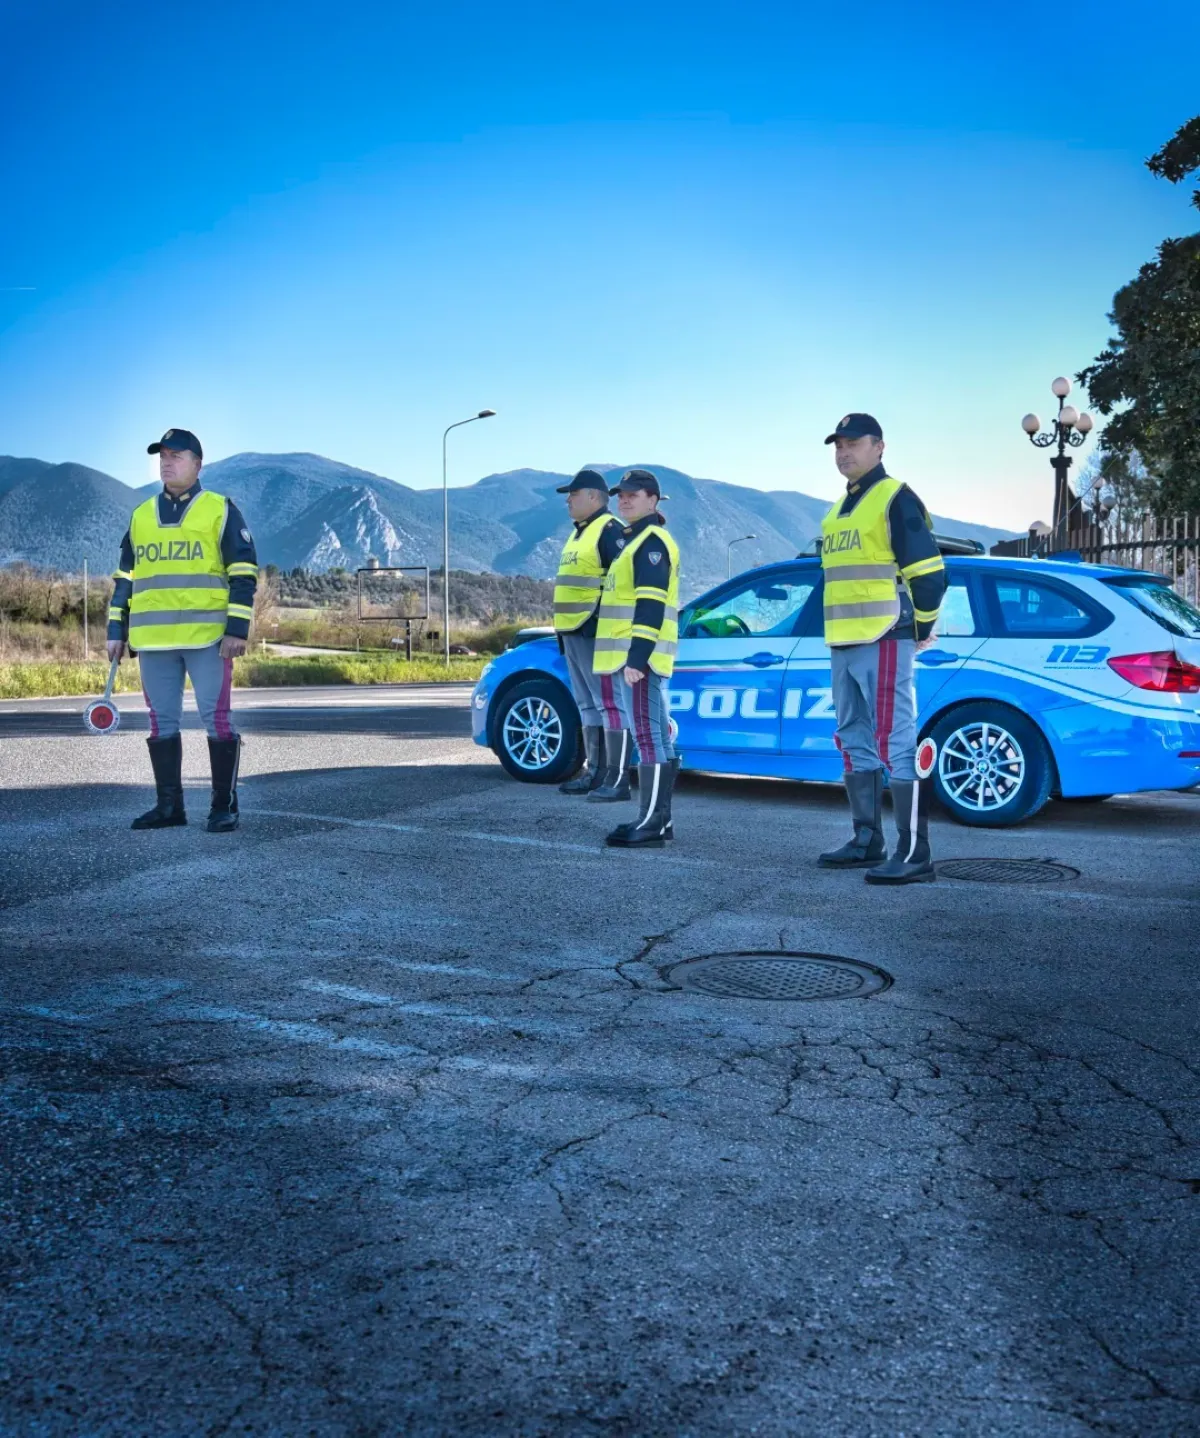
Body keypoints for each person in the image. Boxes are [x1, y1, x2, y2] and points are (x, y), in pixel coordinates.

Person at [107, 428, 259, 833]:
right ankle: (169, 807)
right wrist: (115, 627)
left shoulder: (219, 509)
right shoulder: (141, 515)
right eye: (162, 456)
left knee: (217, 720)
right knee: (161, 722)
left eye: (176, 455)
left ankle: (223, 805)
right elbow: (125, 577)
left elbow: (243, 572)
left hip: (207, 638)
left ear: (197, 464)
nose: (167, 461)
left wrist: (237, 629)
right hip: (153, 640)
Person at [817, 413, 946, 883]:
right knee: (853, 736)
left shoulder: (895, 498)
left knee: (896, 739)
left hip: (885, 635)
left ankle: (914, 854)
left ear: (880, 446)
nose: (844, 451)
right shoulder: (837, 510)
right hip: (844, 641)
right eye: (838, 445)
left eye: (853, 443)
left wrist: (922, 625)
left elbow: (929, 573)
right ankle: (867, 840)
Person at [591, 469, 680, 847]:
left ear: (653, 500)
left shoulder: (651, 542)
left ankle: (651, 823)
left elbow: (650, 604)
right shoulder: (634, 540)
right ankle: (659, 820)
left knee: (648, 737)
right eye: (621, 494)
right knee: (656, 736)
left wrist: (638, 658)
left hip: (640, 659)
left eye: (633, 494)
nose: (624, 500)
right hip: (633, 658)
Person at [551, 469, 628, 796]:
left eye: (574, 493)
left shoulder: (610, 531)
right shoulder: (578, 534)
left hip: (595, 632)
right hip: (572, 631)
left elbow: (622, 583)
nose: (568, 499)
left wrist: (602, 622)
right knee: (586, 704)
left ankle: (615, 777)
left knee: (608, 703)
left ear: (594, 496)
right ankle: (594, 773)